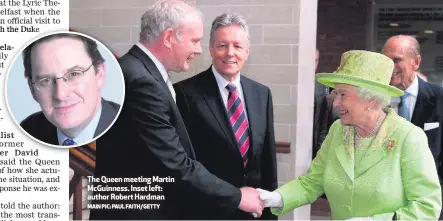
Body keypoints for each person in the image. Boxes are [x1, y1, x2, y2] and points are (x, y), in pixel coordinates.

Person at [89, 1, 263, 220]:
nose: (199, 50)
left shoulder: (139, 71)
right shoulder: (142, 81)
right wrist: (237, 196)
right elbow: (174, 163)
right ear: (169, 37)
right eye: (195, 41)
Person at [257, 50, 442, 220]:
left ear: (370, 99)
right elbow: (312, 183)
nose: (335, 103)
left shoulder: (408, 137)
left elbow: (427, 206)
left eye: (343, 94)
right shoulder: (338, 130)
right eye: (335, 93)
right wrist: (277, 197)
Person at [173, 13, 277, 220]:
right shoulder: (184, 94)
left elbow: (268, 163)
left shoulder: (262, 94)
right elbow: (183, 163)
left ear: (247, 52)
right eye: (222, 45)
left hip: (252, 213)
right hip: (206, 212)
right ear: (210, 49)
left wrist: (270, 213)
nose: (230, 53)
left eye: (237, 46)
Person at [20, 32, 120, 147]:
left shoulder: (134, 129)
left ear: (99, 75)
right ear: (32, 90)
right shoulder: (29, 130)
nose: (60, 95)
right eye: (45, 80)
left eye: (73, 74)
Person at [383, 34, 443, 219]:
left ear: (416, 62)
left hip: (428, 205)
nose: (390, 67)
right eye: (386, 60)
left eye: (396, 60)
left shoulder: (439, 98)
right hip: (385, 205)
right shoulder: (375, 100)